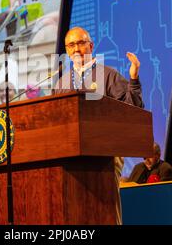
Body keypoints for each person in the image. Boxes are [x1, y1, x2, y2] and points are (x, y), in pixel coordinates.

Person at [55, 26, 144, 225]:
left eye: (80, 43)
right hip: (71, 157)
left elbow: (133, 109)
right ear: (67, 51)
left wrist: (134, 78)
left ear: (91, 46)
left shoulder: (109, 75)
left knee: (107, 207)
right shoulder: (61, 83)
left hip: (106, 154)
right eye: (71, 45)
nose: (76, 49)